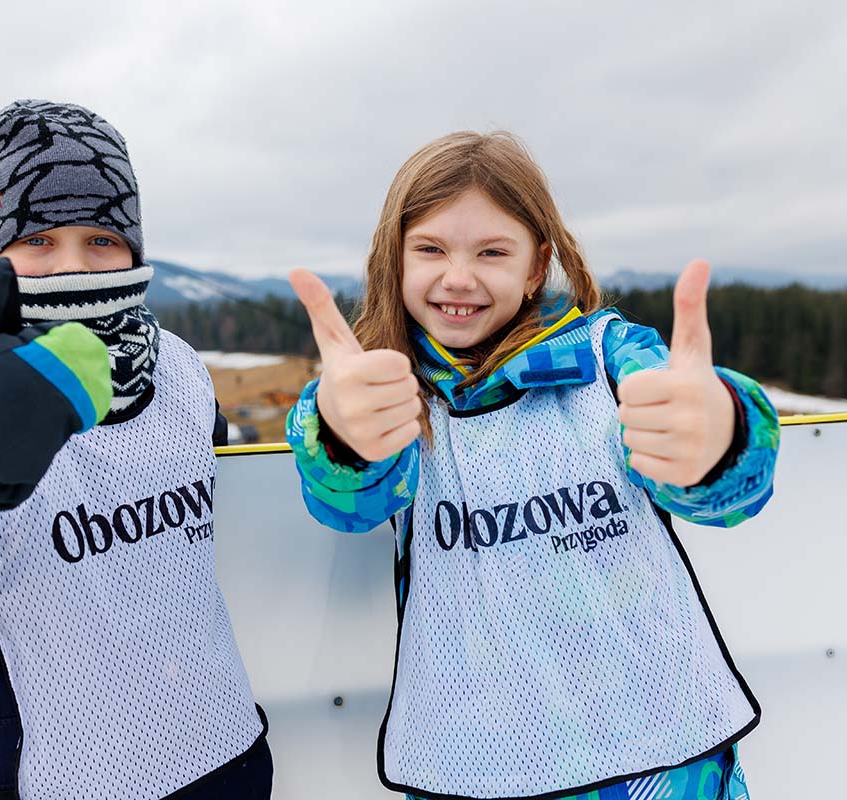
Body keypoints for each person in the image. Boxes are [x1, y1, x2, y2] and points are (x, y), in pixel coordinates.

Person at [286, 131, 776, 800]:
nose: (459, 278)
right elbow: (350, 505)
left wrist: (721, 436)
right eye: (430, 249)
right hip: (477, 765)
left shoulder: (609, 359)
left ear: (536, 264)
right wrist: (343, 438)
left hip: (662, 758)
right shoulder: (386, 393)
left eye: (492, 252)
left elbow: (718, 489)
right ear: (393, 257)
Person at [0, 100, 271, 800]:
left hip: (214, 759)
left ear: (134, 248)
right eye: (37, 240)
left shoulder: (177, 368)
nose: (72, 267)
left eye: (101, 238)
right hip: (30, 778)